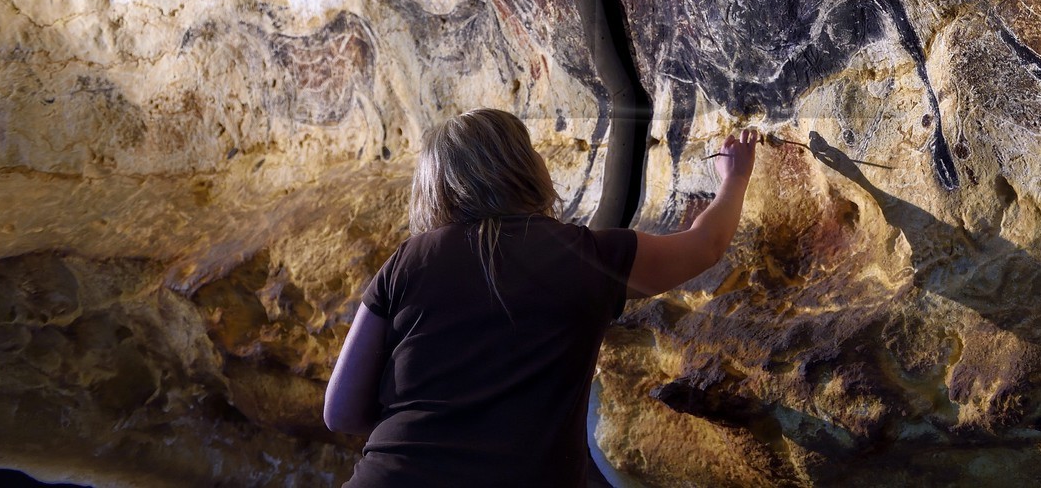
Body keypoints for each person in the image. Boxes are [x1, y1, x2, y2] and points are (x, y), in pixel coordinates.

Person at [323, 108, 760, 486]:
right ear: (524, 166)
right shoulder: (584, 255)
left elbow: (340, 413)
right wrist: (736, 177)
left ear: (433, 186)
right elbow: (705, 246)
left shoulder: (408, 260)